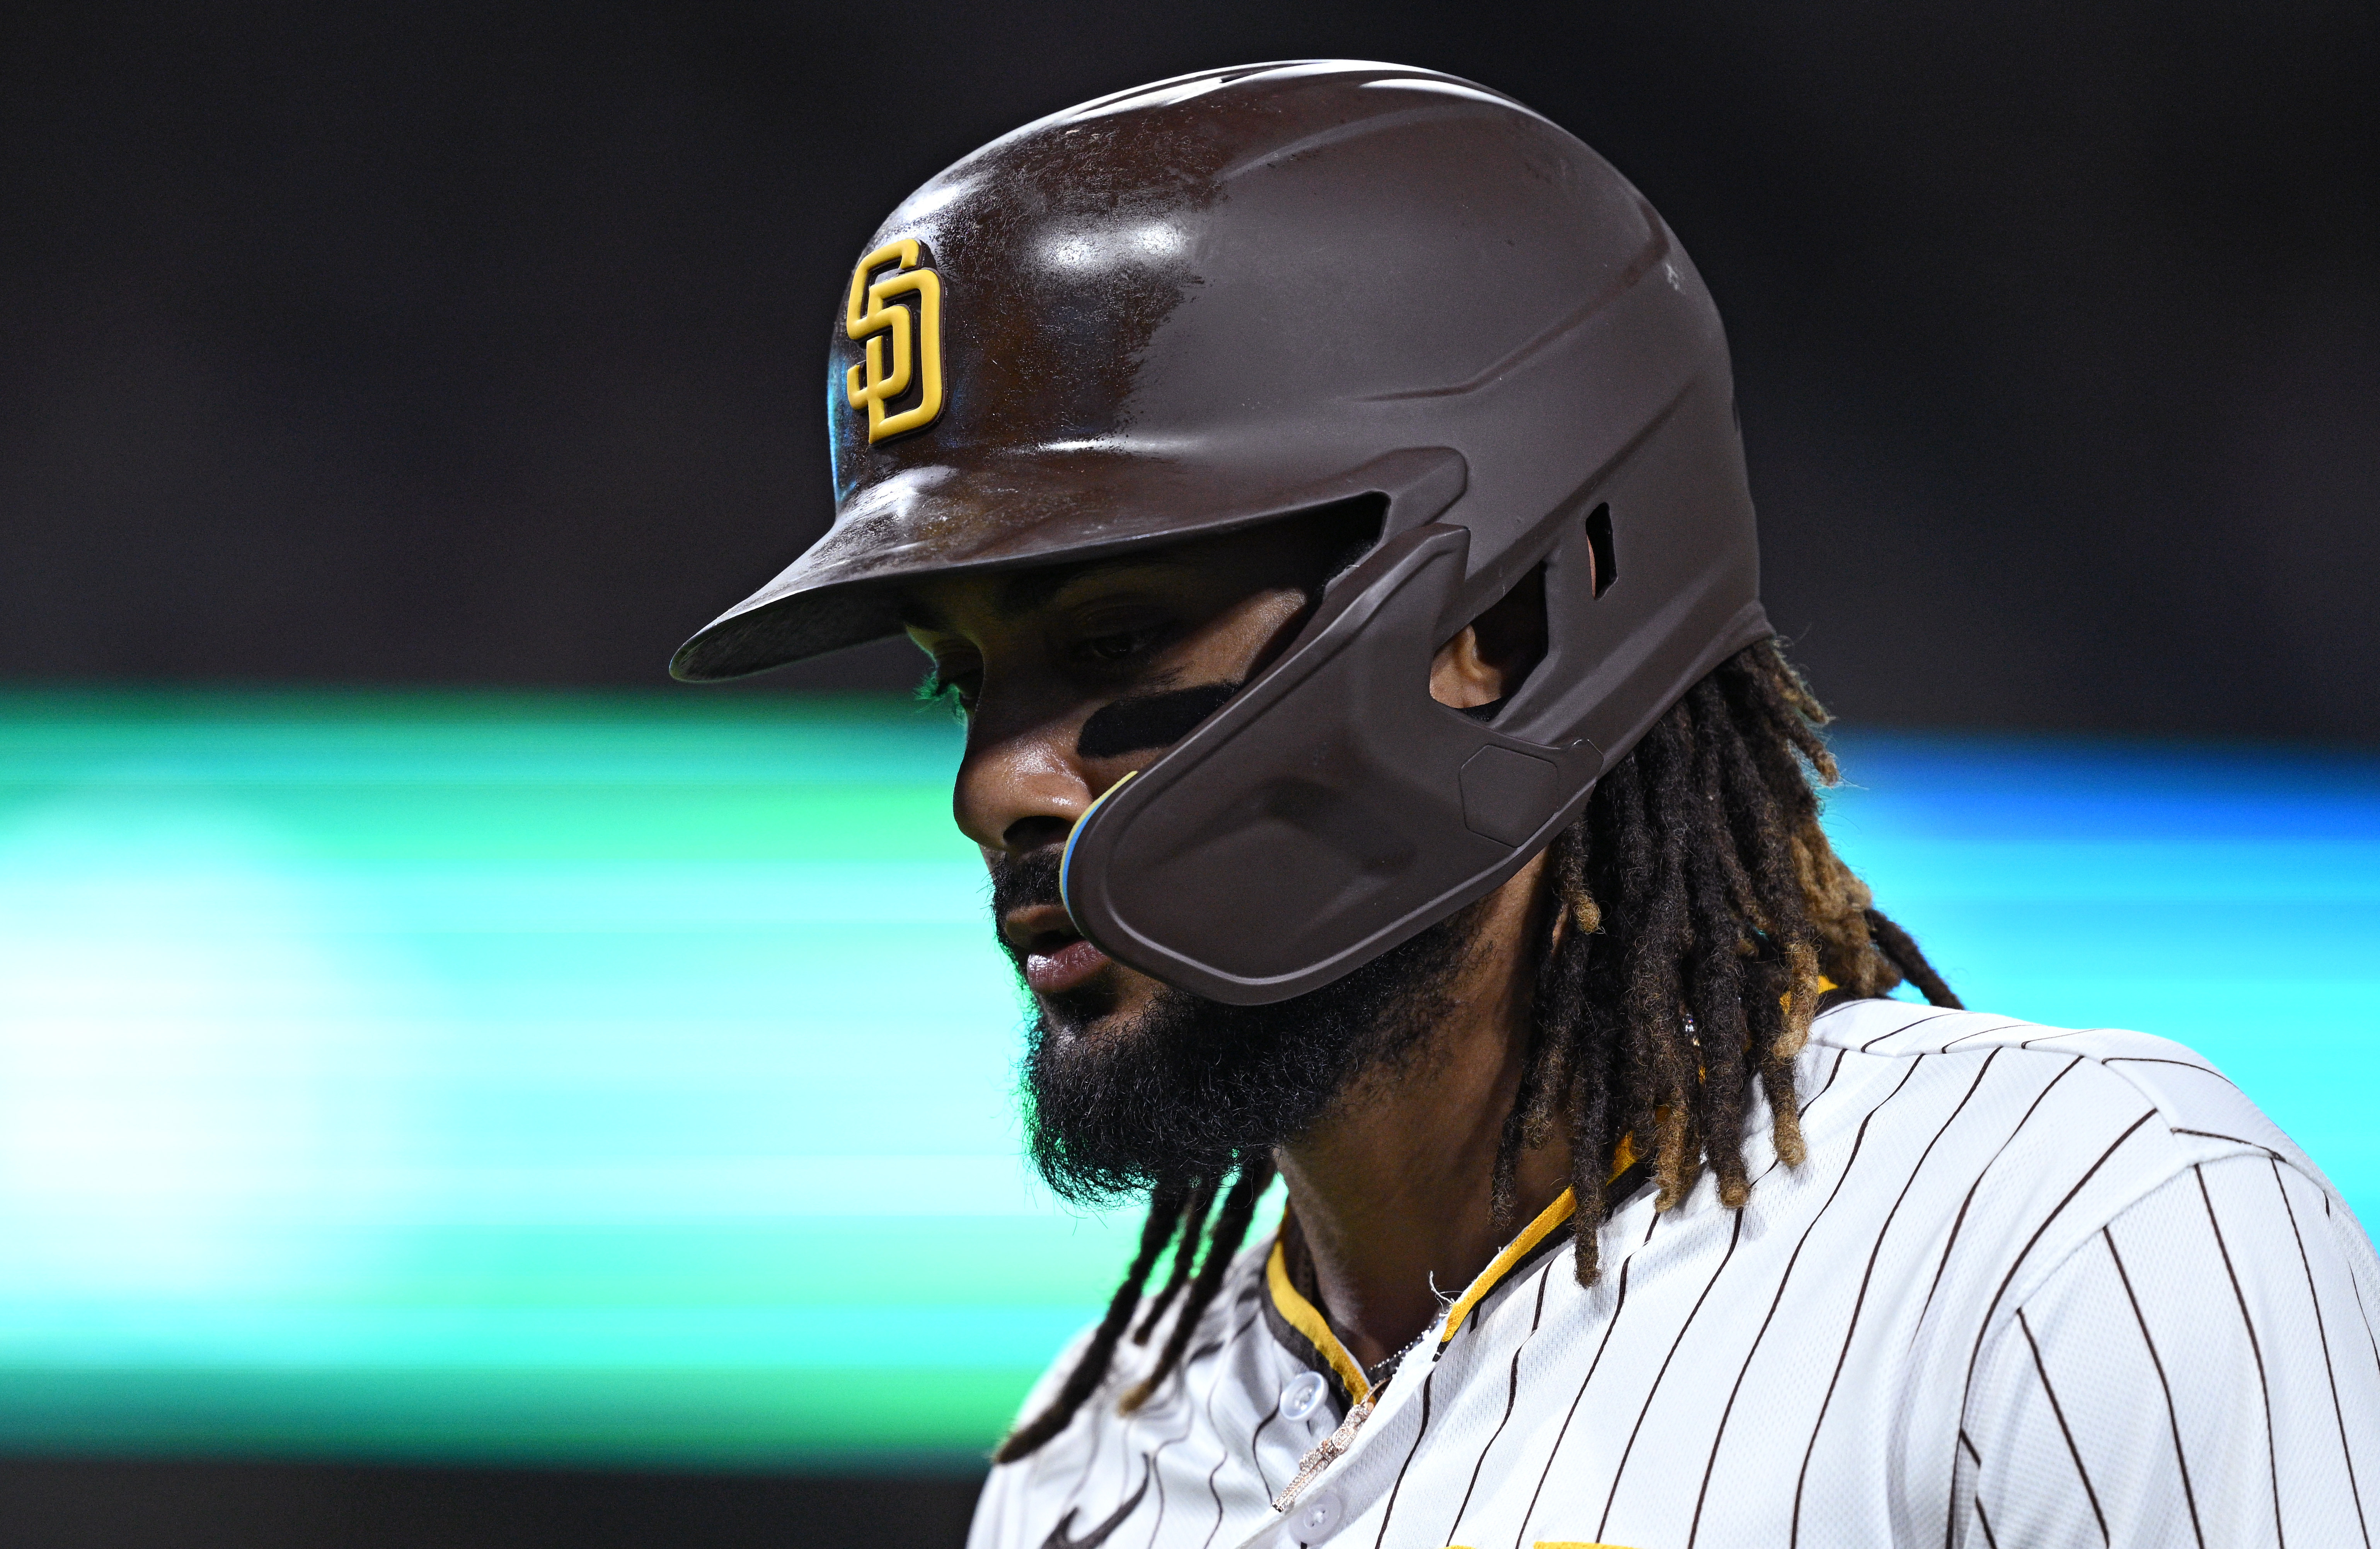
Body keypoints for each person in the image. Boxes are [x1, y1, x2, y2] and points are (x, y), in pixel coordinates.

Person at [674, 61, 2380, 1549]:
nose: (993, 786)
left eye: (1110, 638)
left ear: (1500, 621)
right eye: (959, 681)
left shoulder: (2071, 1237)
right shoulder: (1089, 1469)